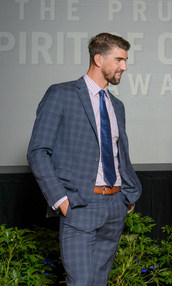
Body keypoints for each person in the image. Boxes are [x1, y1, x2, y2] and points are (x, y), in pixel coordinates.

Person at [27, 33, 142, 285]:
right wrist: (61, 200)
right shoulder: (61, 94)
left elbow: (119, 154)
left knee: (99, 281)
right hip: (80, 205)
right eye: (119, 59)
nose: (124, 66)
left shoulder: (116, 105)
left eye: (125, 60)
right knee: (80, 282)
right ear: (99, 59)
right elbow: (38, 151)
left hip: (115, 206)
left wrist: (127, 198)